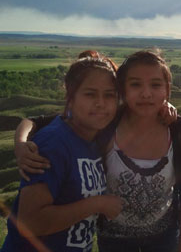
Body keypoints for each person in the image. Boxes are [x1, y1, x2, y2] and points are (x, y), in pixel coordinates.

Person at [14, 50, 181, 252]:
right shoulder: (104, 124)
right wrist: (21, 142)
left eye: (156, 85)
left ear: (167, 89)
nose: (146, 93)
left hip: (164, 239)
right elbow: (40, 122)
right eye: (135, 84)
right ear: (124, 91)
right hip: (113, 242)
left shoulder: (177, 130)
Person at [1, 50, 123, 252]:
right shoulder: (54, 143)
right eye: (90, 94)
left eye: (109, 95)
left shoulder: (91, 136)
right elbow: (30, 223)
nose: (101, 103)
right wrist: (98, 204)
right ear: (71, 96)